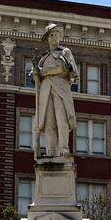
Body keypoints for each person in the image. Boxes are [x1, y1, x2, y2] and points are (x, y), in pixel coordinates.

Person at [33, 23, 78, 159]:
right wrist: (36, 73)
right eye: (51, 35)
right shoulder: (43, 59)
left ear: (60, 37)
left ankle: (63, 149)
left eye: (56, 35)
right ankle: (50, 151)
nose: (54, 38)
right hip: (46, 90)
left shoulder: (65, 52)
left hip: (61, 88)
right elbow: (38, 80)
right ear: (47, 39)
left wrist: (46, 72)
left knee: (61, 119)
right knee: (49, 122)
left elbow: (70, 71)